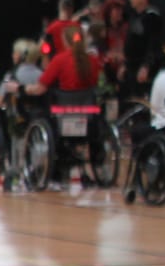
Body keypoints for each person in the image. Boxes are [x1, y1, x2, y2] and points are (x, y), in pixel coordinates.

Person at [20, 24, 104, 188]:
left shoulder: (60, 60)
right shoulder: (93, 61)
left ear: (65, 41)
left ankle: (53, 172)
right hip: (89, 118)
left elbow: (40, 88)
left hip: (64, 117)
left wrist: (23, 89)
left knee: (40, 114)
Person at [127, 0, 163, 96]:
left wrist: (146, 66)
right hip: (133, 67)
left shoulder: (152, 17)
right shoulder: (135, 16)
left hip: (145, 69)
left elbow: (154, 44)